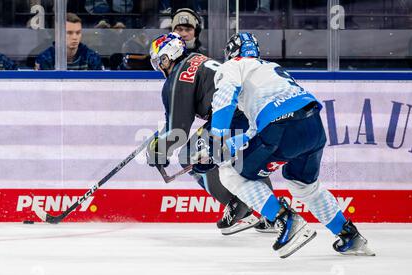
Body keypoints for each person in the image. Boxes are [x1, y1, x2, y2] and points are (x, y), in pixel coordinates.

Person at [208, 32, 375, 258]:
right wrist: (232, 144)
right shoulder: (269, 68)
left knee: (229, 172)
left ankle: (285, 219)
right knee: (304, 186)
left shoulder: (232, 66)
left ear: (231, 54)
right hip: (312, 126)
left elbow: (226, 96)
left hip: (282, 127)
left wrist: (216, 142)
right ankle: (349, 236)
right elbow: (256, 132)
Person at [146, 32, 276, 235]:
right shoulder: (198, 59)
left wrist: (158, 152)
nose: (159, 68)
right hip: (258, 112)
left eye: (158, 62)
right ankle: (275, 215)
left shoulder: (177, 77)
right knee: (246, 164)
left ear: (167, 56)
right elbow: (176, 122)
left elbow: (178, 130)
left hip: (232, 115)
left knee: (189, 155)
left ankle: (239, 210)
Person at [35, 13, 104, 70]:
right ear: (58, 34)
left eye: (78, 33)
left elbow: (100, 84)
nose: (75, 37)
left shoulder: (91, 57)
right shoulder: (45, 58)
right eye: (69, 33)